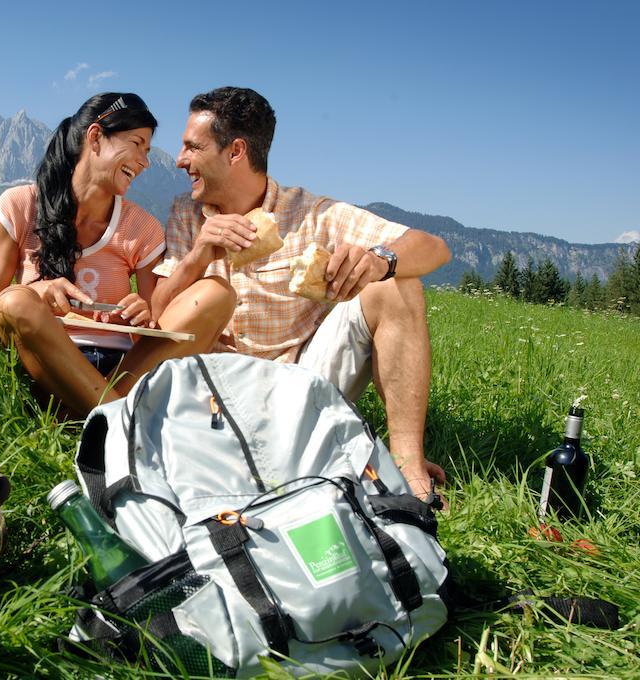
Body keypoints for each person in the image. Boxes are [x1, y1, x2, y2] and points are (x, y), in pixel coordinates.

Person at [151, 87, 452, 500]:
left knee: (397, 285)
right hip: (212, 397)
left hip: (300, 384)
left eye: (192, 147)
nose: (181, 160)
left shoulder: (311, 213)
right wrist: (199, 253)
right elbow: (158, 317)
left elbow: (433, 247)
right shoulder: (186, 213)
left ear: (235, 151)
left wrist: (379, 260)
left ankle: (410, 469)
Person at [0, 93, 234, 418]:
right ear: (96, 137)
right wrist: (35, 293)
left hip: (124, 370)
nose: (144, 162)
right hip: (50, 366)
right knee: (15, 302)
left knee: (217, 293)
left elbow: (157, 322)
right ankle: (118, 419)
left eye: (147, 150)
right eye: (137, 143)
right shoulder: (19, 205)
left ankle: (103, 417)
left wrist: (143, 310)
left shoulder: (142, 227)